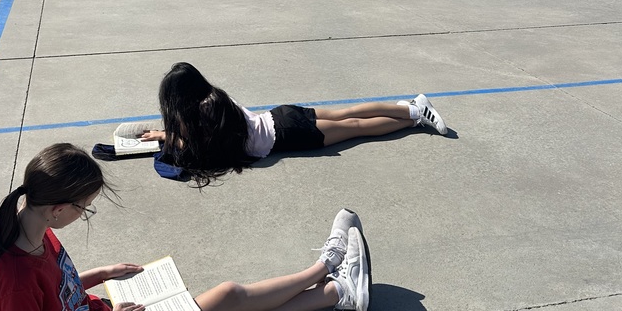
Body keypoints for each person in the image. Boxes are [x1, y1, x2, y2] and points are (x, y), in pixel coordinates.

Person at [0, 142, 370, 311]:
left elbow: (54, 297)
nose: (83, 216)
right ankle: (326, 268)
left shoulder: (28, 223)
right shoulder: (16, 279)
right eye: (84, 208)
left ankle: (336, 293)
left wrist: (100, 274)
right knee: (228, 297)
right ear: (57, 209)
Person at [138, 62, 449, 187]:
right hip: (281, 115)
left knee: (358, 126)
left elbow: (197, 147)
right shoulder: (213, 100)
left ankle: (414, 117)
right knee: (349, 114)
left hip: (289, 134)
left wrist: (169, 139)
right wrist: (166, 134)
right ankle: (410, 107)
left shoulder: (202, 117)